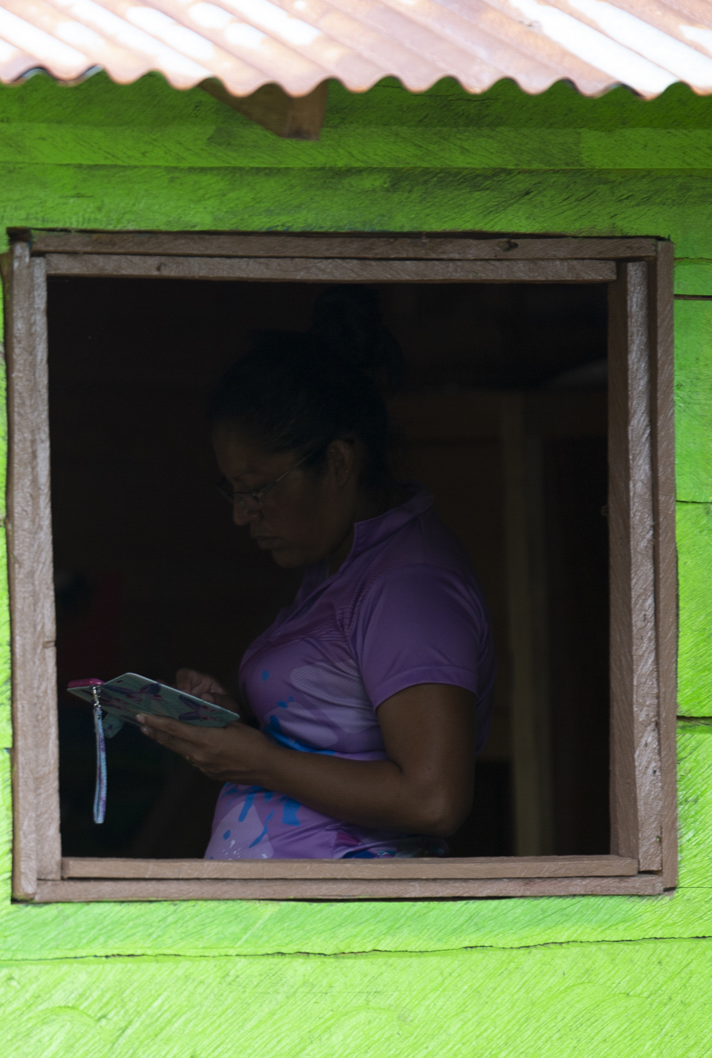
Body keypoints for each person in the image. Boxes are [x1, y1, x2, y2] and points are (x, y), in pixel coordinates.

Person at [137, 290, 495, 860]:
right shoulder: (341, 566)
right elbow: (334, 732)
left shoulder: (409, 587)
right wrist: (233, 722)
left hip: (347, 928)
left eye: (257, 489)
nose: (240, 513)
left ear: (337, 463)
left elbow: (434, 800)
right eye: (232, 491)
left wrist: (256, 758)